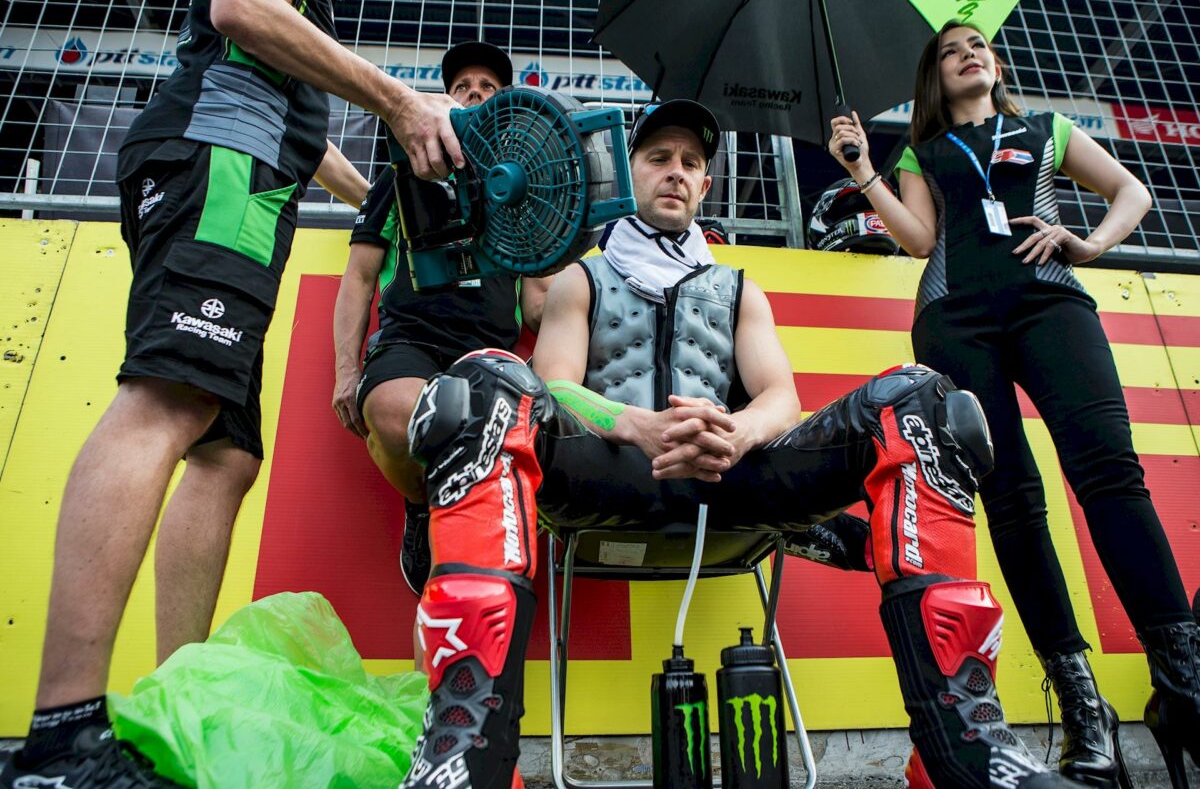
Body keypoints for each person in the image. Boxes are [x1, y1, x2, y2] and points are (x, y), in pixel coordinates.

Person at [396, 99, 1087, 789]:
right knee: (485, 386)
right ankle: (468, 762)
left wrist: (738, 432)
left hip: (728, 481)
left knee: (923, 402)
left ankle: (962, 757)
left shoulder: (738, 287)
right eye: (659, 159)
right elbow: (553, 391)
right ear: (628, 174)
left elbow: (781, 399)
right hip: (610, 476)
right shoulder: (583, 275)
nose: (675, 173)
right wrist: (637, 425)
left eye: (691, 164)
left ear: (705, 186)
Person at [0, 0, 466, 786]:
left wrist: (381, 206)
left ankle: (179, 701)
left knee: (225, 455)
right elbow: (239, 8)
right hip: (217, 158)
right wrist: (399, 102)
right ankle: (61, 736)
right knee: (167, 401)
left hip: (247, 179)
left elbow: (296, 107)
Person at [828, 19, 1200, 789]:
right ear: (935, 75)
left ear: (995, 66)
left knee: (1110, 475)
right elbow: (921, 240)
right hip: (954, 319)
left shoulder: (1046, 127)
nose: (970, 53)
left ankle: (1186, 688)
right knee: (1013, 502)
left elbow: (1133, 189)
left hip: (1052, 304)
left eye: (979, 45)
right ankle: (1083, 709)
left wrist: (1090, 243)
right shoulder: (920, 152)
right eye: (952, 49)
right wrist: (864, 168)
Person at [332, 40, 552, 596]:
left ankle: (469, 541)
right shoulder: (398, 176)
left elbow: (540, 307)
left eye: (488, 90)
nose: (474, 96)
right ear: (442, 104)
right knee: (387, 408)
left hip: (490, 355)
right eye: (462, 89)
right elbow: (359, 275)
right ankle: (422, 505)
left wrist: (566, 250)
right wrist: (343, 371)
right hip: (411, 338)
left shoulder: (524, 193)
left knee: (488, 417)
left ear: (505, 111)